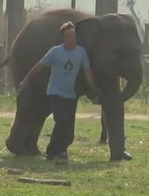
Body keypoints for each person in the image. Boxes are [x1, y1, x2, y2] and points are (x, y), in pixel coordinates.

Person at [19, 21, 98, 161]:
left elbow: (87, 72)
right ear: (63, 37)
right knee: (62, 121)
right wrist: (26, 80)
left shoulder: (81, 52)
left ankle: (60, 151)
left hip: (70, 94)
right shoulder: (55, 51)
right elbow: (39, 66)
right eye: (68, 36)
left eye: (73, 35)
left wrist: (94, 89)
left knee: (69, 128)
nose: (71, 39)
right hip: (55, 92)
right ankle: (53, 151)